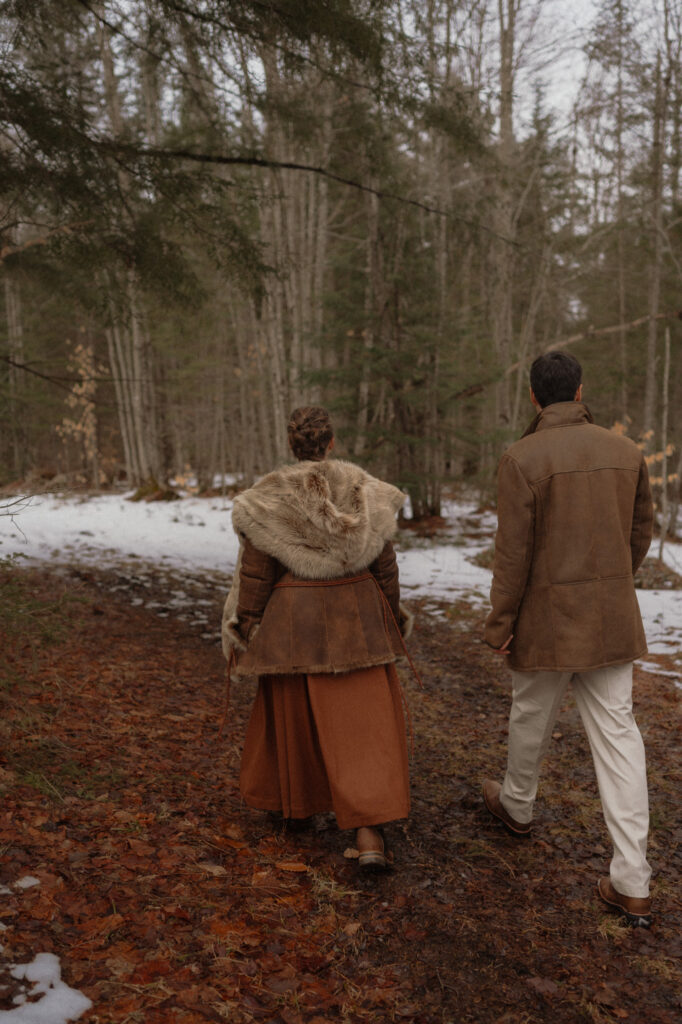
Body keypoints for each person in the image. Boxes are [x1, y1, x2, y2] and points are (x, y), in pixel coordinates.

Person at [482, 351, 654, 927]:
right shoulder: (626, 452)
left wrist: (500, 624)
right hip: (609, 618)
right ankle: (632, 880)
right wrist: (611, 581)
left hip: (547, 619)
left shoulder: (521, 458)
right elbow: (639, 533)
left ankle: (517, 806)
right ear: (580, 391)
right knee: (620, 739)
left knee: (531, 715)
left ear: (535, 398)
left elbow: (513, 554)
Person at [221, 406, 413, 869]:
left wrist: (245, 623)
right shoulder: (365, 490)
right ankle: (369, 837)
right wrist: (391, 614)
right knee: (364, 725)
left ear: (292, 446)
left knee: (294, 712)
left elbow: (257, 571)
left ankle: (296, 812)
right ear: (331, 443)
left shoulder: (267, 498)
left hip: (295, 624)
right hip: (357, 619)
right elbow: (384, 565)